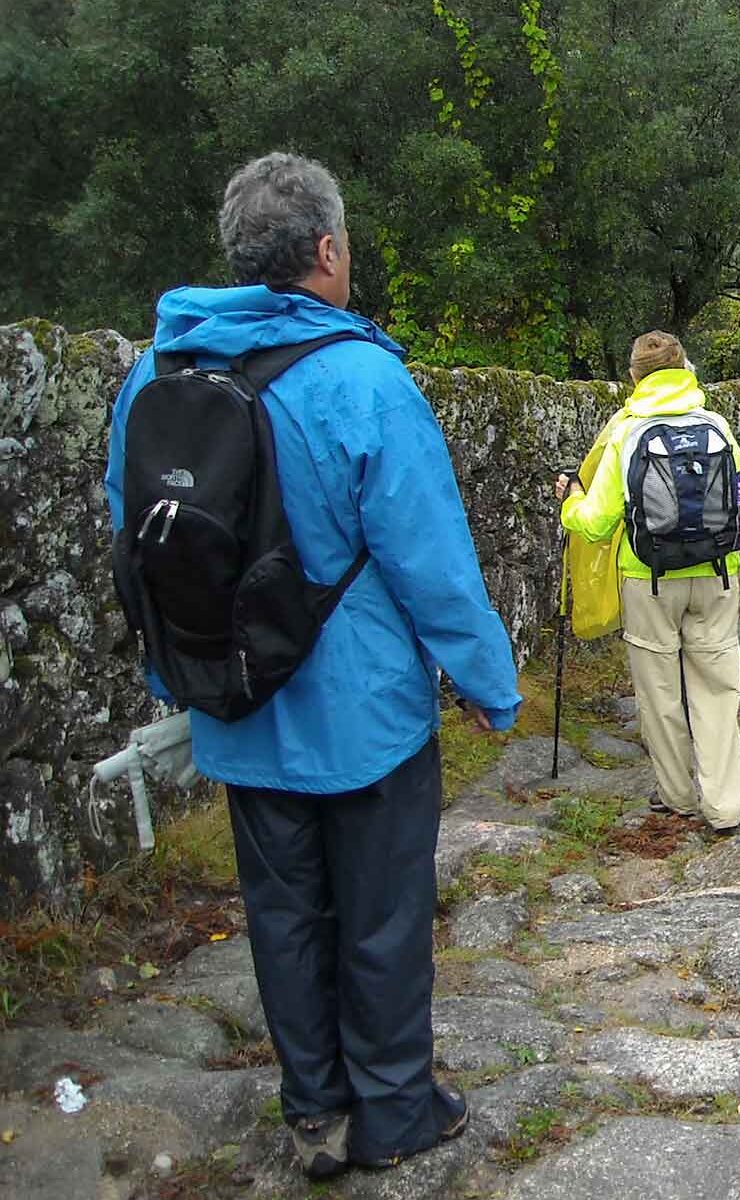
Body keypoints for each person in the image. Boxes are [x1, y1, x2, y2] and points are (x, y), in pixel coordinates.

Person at [104, 152, 522, 1179]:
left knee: (283, 915)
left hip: (239, 706)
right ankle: (393, 1111)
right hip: (362, 710)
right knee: (379, 913)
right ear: (327, 249)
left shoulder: (154, 377)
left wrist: (179, 680)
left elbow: (138, 539)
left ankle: (315, 1115)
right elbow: (429, 558)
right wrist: (488, 684)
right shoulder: (362, 378)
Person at [556, 332, 740, 834]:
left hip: (649, 579)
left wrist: (569, 498)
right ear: (684, 369)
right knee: (719, 690)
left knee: (659, 692)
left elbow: (594, 523)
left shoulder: (627, 433)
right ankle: (725, 807)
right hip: (717, 576)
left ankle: (677, 795)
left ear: (633, 377)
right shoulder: (715, 426)